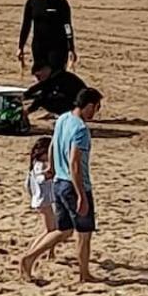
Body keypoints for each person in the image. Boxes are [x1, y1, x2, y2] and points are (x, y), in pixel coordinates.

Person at [19, 88, 103, 285]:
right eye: (96, 108)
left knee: (63, 230)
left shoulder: (63, 119)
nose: (96, 113)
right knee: (84, 232)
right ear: (89, 105)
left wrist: (52, 168)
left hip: (59, 184)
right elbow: (75, 163)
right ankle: (84, 274)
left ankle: (30, 257)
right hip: (74, 186)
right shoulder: (81, 130)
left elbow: (53, 145)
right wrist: (81, 194)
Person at [18, 0, 76, 74]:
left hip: (57, 46)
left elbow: (67, 26)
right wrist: (20, 47)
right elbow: (26, 25)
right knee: (40, 74)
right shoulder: (32, 3)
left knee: (56, 74)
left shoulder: (60, 3)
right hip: (39, 46)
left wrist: (71, 48)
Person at [26, 136, 57, 234]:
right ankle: (34, 249)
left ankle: (49, 249)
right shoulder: (40, 165)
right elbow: (41, 179)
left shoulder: (38, 164)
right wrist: (50, 174)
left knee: (52, 229)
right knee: (49, 231)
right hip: (43, 201)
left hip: (45, 200)